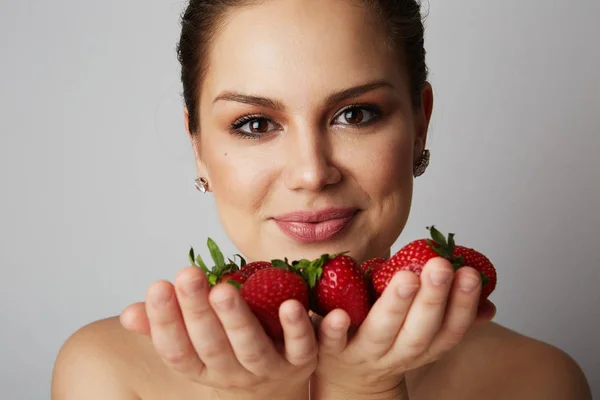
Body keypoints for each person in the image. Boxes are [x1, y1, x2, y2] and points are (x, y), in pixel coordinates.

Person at [51, 1, 592, 399]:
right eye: (255, 123)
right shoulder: (106, 373)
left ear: (421, 124)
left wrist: (368, 392)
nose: (312, 173)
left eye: (355, 114)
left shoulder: (536, 381)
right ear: (197, 146)